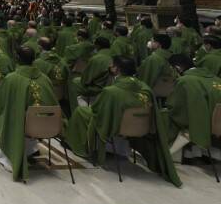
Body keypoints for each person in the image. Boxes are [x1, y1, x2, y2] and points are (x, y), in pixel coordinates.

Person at [64, 56, 181, 186]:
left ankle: (80, 147)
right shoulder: (146, 89)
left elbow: (98, 110)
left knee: (81, 112)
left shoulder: (111, 91)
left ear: (116, 69)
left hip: (117, 126)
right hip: (141, 127)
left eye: (112, 65)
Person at [0, 46, 59, 182]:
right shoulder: (45, 79)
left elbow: (0, 98)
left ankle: (2, 151)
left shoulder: (11, 78)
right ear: (34, 59)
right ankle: (30, 148)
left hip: (24, 126)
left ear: (17, 59)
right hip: (48, 125)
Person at [67, 36, 113, 110]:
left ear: (97, 46)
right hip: (111, 85)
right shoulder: (115, 55)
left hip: (99, 88)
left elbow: (86, 80)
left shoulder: (97, 59)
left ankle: (77, 111)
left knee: (74, 82)